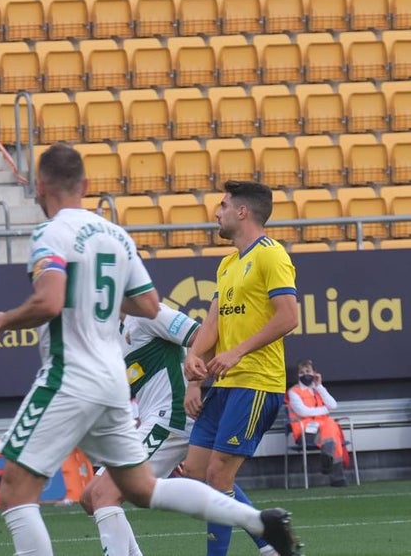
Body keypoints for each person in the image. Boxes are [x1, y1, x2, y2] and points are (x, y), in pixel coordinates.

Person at [0, 144, 302, 556]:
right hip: (113, 385)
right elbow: (149, 304)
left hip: (71, 377)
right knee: (133, 490)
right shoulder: (115, 236)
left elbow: (49, 302)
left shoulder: (51, 233)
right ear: (87, 186)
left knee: (15, 492)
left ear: (39, 187)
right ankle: (259, 523)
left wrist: (1, 321)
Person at [79, 306, 277, 556]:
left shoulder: (149, 314)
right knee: (89, 498)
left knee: (104, 494)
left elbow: (204, 340)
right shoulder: (113, 332)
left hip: (171, 419)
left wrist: (194, 386)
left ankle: (269, 541)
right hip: (154, 421)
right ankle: (270, 543)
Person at [181, 180, 300, 556]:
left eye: (223, 205)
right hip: (225, 384)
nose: (217, 212)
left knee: (218, 477)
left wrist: (238, 353)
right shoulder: (228, 263)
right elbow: (213, 323)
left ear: (242, 211)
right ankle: (271, 541)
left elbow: (289, 317)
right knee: (198, 473)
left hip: (256, 383)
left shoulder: (271, 254)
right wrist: (193, 362)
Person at [287, 359, 348, 487]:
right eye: (301, 372)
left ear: (315, 373)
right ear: (297, 375)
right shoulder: (294, 391)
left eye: (308, 371)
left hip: (323, 432)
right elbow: (302, 412)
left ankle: (328, 458)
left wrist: (319, 385)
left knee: (330, 429)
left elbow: (333, 405)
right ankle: (338, 478)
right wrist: (324, 409)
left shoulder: (318, 389)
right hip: (305, 433)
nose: (305, 374)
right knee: (331, 429)